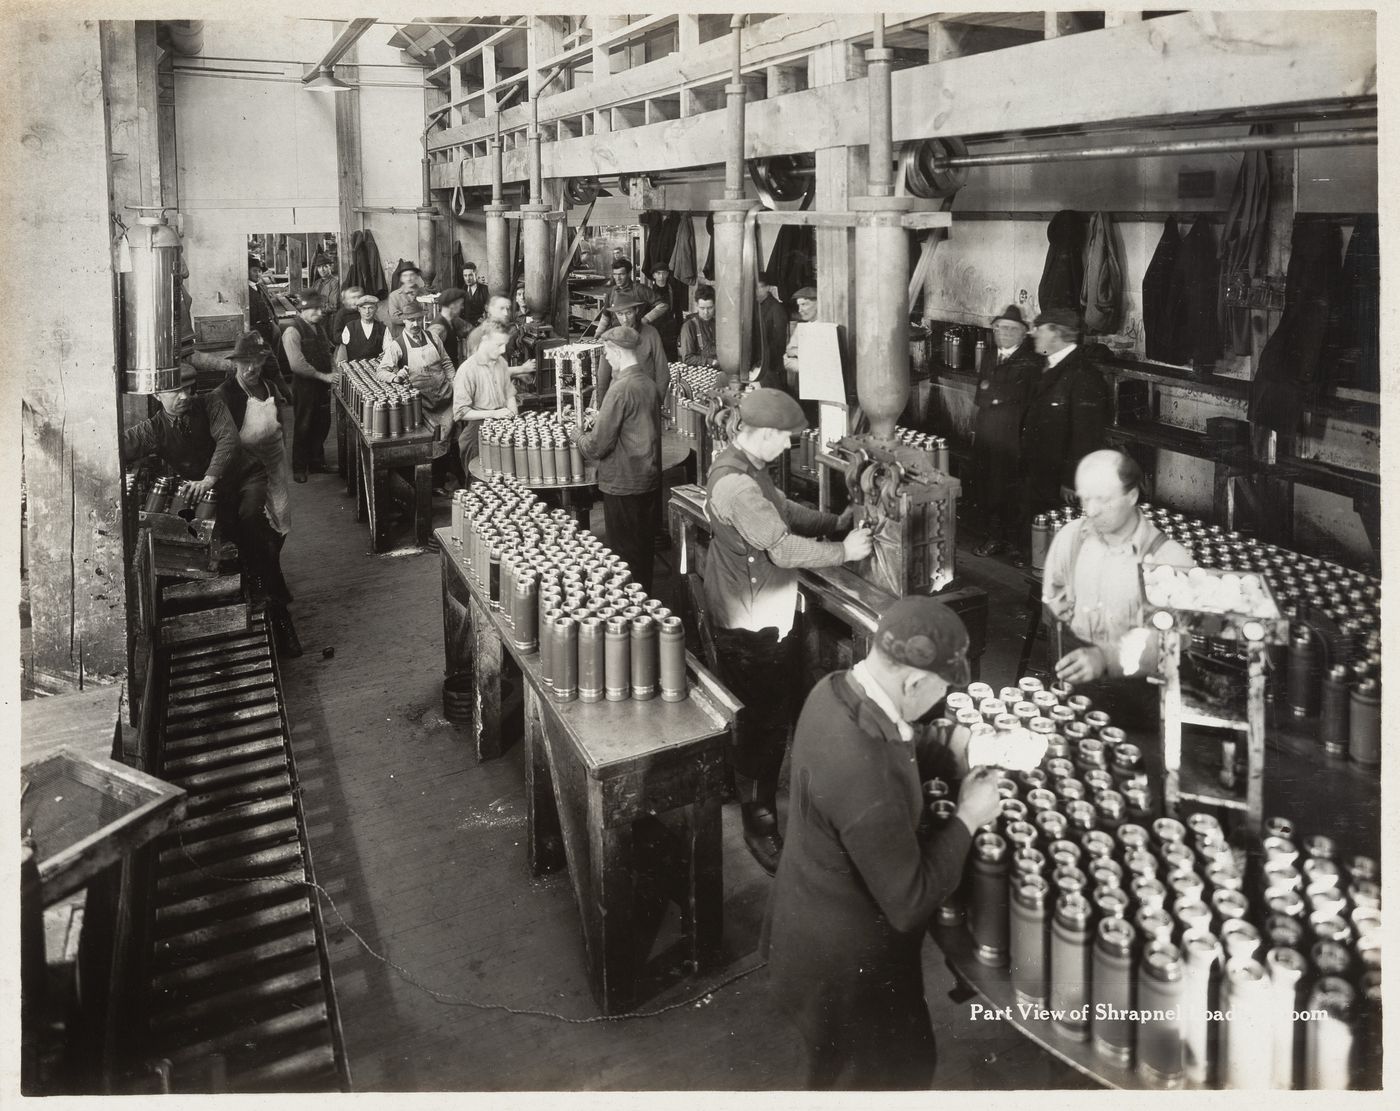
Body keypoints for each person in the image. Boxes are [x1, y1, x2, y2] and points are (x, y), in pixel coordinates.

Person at [765, 597, 1003, 1090]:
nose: (938, 701)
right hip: (851, 974)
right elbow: (910, 901)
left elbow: (891, 735)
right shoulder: (865, 773)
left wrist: (946, 743)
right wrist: (969, 817)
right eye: (937, 691)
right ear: (913, 681)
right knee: (896, 1074)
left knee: (832, 1075)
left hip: (804, 933)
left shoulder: (831, 692)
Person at [704, 388, 873, 873]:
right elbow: (781, 548)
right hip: (752, 623)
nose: (788, 447)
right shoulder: (736, 486)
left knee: (777, 709)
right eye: (784, 439)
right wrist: (846, 553)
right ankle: (759, 825)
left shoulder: (747, 466)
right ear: (760, 434)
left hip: (767, 610)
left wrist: (835, 523)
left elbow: (784, 512)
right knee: (763, 726)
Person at [121, 362, 300, 655]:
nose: (183, 396)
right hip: (217, 495)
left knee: (250, 520)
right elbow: (124, 444)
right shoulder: (154, 430)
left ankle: (279, 610)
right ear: (156, 395)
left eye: (187, 389)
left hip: (244, 479)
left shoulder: (211, 402)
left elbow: (228, 439)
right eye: (174, 391)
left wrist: (208, 478)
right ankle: (265, 591)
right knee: (241, 538)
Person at [1042, 449, 1194, 728]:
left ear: (1132, 496)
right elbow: (1054, 600)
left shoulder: (1169, 559)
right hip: (1076, 696)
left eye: (1104, 499)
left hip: (1139, 706)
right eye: (1086, 498)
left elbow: (1173, 643)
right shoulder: (1069, 539)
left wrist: (1106, 657)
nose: (1091, 510)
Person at [214, 332, 302, 656]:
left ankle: (270, 567)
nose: (252, 368)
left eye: (257, 361)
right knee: (258, 528)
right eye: (246, 362)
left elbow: (280, 422)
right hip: (247, 469)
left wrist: (283, 454)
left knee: (281, 523)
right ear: (236, 363)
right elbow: (223, 440)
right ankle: (268, 580)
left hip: (274, 462)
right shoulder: (225, 395)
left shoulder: (269, 387)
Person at [1017, 307, 1110, 566]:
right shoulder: (1045, 366)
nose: (1033, 333)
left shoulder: (1083, 376)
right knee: (1038, 541)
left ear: (1057, 333)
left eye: (1040, 328)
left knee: (1057, 546)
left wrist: (1071, 481)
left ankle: (1046, 602)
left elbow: (1087, 436)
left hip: (1059, 481)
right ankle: (1037, 598)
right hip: (1038, 471)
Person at [576, 325, 663, 594]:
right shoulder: (648, 383)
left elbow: (597, 446)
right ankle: (646, 607)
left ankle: (631, 616)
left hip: (622, 484)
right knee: (642, 552)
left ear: (616, 351)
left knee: (624, 559)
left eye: (607, 353)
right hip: (647, 481)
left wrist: (577, 434)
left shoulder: (620, 389)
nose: (607, 359)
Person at [972, 305, 1040, 558]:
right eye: (1000, 328)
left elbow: (1019, 397)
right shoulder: (990, 354)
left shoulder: (1030, 360)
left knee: (1013, 490)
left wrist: (994, 395)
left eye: (1011, 330)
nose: (1004, 334)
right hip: (988, 432)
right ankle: (994, 537)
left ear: (1024, 333)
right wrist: (996, 396)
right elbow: (980, 395)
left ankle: (1015, 545)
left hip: (1014, 436)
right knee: (988, 486)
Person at [378, 304, 456, 441]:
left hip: (445, 399)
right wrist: (396, 377)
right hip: (422, 405)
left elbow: (446, 362)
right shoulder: (398, 345)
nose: (415, 324)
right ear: (404, 321)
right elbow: (381, 371)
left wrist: (453, 382)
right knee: (431, 441)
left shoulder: (433, 338)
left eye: (419, 319)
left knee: (450, 439)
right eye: (411, 320)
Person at [280, 291, 336, 482]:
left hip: (322, 385)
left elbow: (328, 352)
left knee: (321, 423)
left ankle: (316, 462)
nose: (319, 312)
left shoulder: (319, 327)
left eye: (320, 308)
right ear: (302, 309)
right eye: (314, 309)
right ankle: (299, 467)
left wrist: (333, 370)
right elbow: (297, 364)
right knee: (304, 425)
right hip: (305, 386)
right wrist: (324, 376)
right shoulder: (292, 331)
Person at [452, 323, 518, 478]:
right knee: (482, 482)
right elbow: (461, 412)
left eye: (505, 345)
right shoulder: (467, 370)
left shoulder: (500, 362)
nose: (503, 350)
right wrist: (494, 414)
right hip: (478, 433)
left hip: (503, 426)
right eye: (499, 345)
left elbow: (509, 394)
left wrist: (513, 412)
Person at [594, 296, 669, 405]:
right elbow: (602, 379)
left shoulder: (651, 334)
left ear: (636, 311)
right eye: (620, 314)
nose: (625, 319)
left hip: (645, 397)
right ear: (615, 315)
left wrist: (657, 403)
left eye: (628, 313)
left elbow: (663, 373)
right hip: (618, 400)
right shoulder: (610, 337)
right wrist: (602, 407)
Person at [752, 270, 790, 392]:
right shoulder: (755, 307)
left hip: (770, 366)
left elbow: (779, 342)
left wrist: (763, 362)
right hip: (757, 365)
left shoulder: (776, 309)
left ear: (767, 287)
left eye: (759, 288)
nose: (756, 292)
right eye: (754, 288)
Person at [644, 261, 689, 360]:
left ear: (668, 274)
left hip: (669, 330)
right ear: (654, 275)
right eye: (658, 273)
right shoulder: (648, 291)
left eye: (664, 273)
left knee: (671, 359)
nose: (661, 276)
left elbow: (678, 312)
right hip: (654, 328)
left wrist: (679, 332)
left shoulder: (673, 290)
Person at [781, 285, 819, 393]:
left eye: (804, 304)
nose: (800, 310)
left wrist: (799, 355)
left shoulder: (826, 327)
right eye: (798, 305)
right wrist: (807, 366)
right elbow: (787, 359)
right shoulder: (801, 329)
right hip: (805, 387)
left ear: (818, 303)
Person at [600, 258, 656, 329]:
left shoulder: (640, 290)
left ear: (629, 274)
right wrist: (598, 333)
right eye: (615, 274)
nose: (617, 278)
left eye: (621, 274)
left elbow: (662, 305)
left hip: (637, 334)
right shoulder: (612, 292)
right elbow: (605, 316)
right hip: (616, 334)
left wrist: (647, 319)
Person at [335, 293, 385, 363]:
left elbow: (388, 350)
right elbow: (342, 351)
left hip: (376, 367)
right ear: (359, 309)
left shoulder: (383, 328)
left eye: (370, 308)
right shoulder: (350, 327)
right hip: (354, 369)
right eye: (364, 308)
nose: (367, 312)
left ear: (376, 309)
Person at [429, 287, 471, 367]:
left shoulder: (452, 320)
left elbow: (470, 329)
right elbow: (431, 358)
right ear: (452, 306)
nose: (462, 308)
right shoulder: (438, 327)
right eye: (460, 304)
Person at [678, 285, 717, 366]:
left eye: (710, 308)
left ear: (715, 305)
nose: (706, 312)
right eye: (702, 308)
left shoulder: (718, 323)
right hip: (701, 370)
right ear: (696, 306)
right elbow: (687, 358)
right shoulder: (689, 326)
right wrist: (711, 362)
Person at [328, 283, 364, 348]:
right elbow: (336, 336)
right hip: (347, 348)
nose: (356, 300)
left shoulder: (365, 311)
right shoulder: (342, 314)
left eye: (359, 297)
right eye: (353, 298)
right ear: (347, 300)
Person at [311, 258, 341, 336]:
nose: (322, 270)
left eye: (325, 266)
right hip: (316, 315)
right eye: (319, 267)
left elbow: (333, 306)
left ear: (330, 267)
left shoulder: (334, 283)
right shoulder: (317, 283)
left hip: (327, 319)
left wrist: (316, 311)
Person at [459, 261, 490, 326]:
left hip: (480, 327)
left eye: (470, 275)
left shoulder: (485, 290)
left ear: (475, 274)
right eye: (465, 275)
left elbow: (489, 311)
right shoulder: (461, 291)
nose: (467, 278)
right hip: (465, 328)